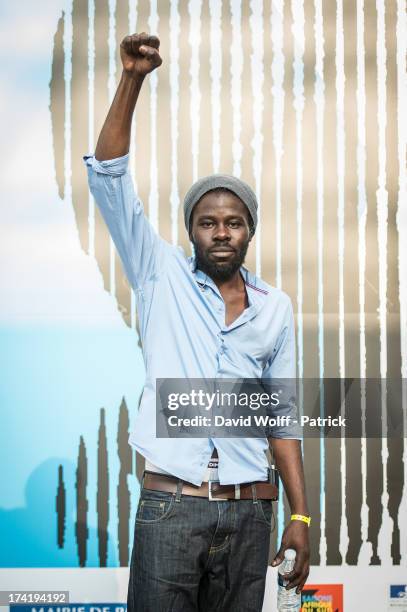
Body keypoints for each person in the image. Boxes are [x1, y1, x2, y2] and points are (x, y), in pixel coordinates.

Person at [84, 32, 310, 612]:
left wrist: (300, 514)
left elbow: (282, 418)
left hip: (251, 511)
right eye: (208, 222)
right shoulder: (159, 274)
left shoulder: (276, 308)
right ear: (191, 230)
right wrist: (132, 79)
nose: (221, 231)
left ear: (249, 231)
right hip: (171, 509)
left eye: (233, 222)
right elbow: (109, 175)